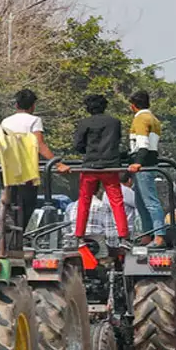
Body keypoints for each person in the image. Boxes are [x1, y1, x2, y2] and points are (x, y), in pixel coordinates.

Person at [68, 94, 130, 241]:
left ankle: (79, 234)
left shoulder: (84, 123)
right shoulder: (114, 122)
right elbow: (117, 141)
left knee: (84, 199)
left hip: (90, 166)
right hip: (110, 166)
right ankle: (123, 234)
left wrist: (88, 152)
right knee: (116, 200)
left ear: (88, 108)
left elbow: (78, 145)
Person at [1, 89, 65, 226]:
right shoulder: (35, 120)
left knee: (10, 207)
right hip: (27, 172)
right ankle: (20, 235)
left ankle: (10, 236)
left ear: (16, 105)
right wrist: (58, 164)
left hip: (8, 171)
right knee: (27, 206)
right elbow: (39, 144)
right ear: (32, 106)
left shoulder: (5, 121)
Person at [125, 90, 165, 246]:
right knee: (140, 202)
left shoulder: (141, 119)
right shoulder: (153, 118)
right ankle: (146, 235)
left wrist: (137, 163)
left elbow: (143, 145)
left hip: (144, 164)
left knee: (150, 202)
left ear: (132, 106)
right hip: (150, 160)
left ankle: (159, 236)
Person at [66, 172, 141, 248]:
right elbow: (110, 233)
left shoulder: (71, 207)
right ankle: (124, 239)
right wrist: (115, 246)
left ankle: (79, 237)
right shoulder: (103, 206)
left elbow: (66, 229)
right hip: (99, 245)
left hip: (75, 244)